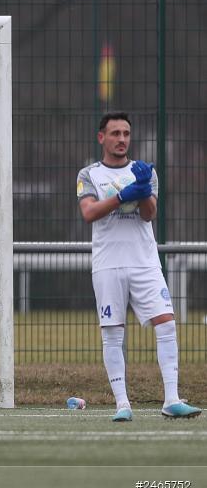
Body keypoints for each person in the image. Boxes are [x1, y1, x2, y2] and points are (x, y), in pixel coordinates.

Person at [77, 111, 201, 421]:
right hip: (108, 264)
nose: (122, 139)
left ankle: (171, 399)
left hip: (144, 262)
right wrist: (122, 196)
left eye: (126, 134)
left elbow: (149, 214)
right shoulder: (88, 174)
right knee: (113, 334)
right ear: (101, 137)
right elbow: (89, 213)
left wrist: (143, 189)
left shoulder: (145, 171)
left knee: (167, 323)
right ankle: (122, 405)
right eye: (115, 133)